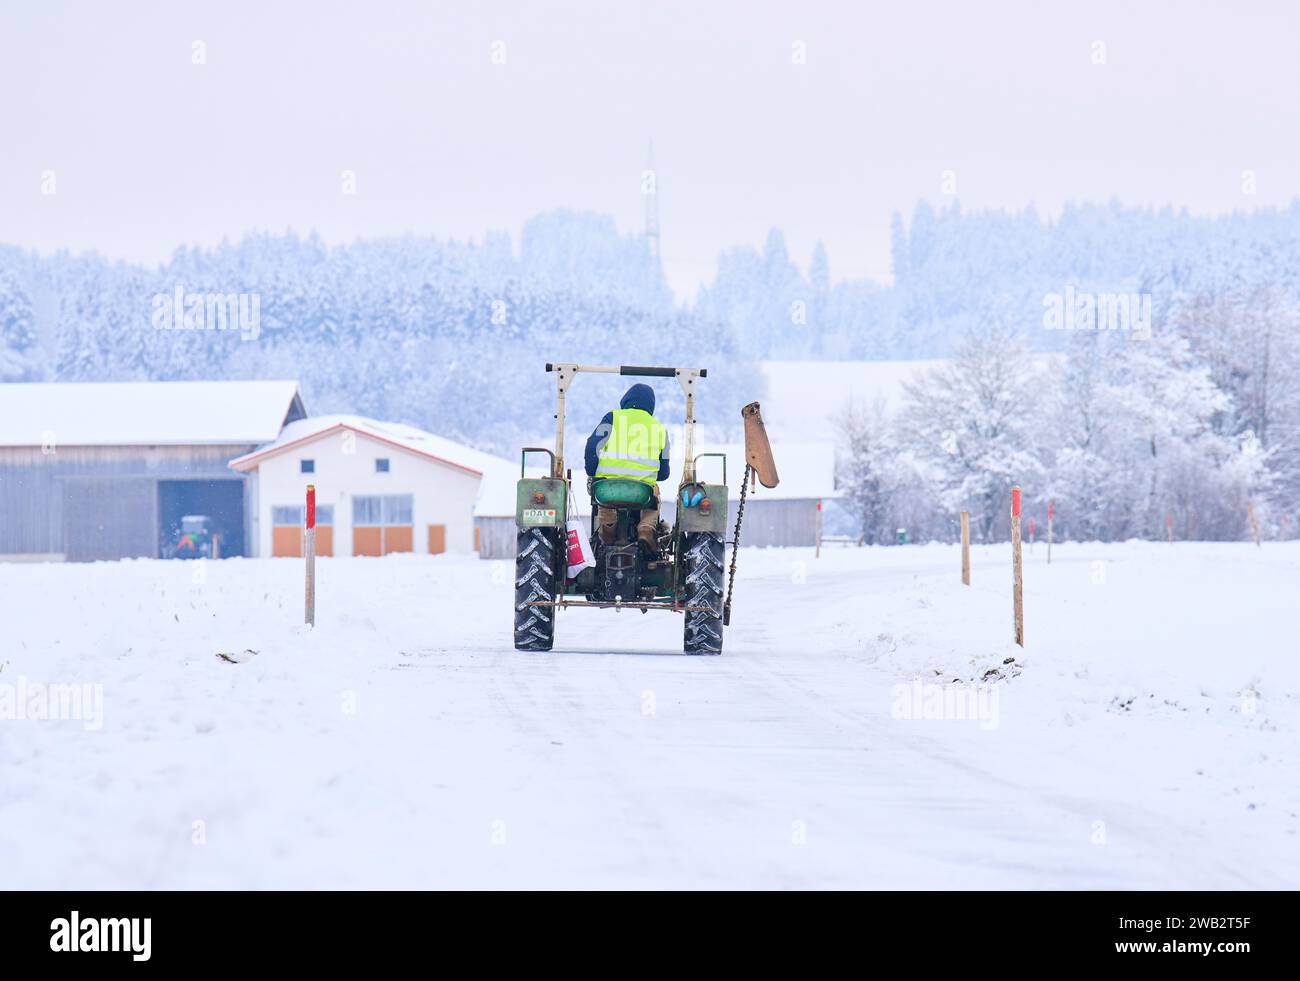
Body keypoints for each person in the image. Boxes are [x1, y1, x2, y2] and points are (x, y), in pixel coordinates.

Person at [584, 383, 670, 553]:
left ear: (625, 400)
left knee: (605, 504)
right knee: (654, 495)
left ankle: (608, 529)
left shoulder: (612, 417)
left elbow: (591, 446)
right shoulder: (660, 429)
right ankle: (645, 529)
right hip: (641, 491)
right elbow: (664, 472)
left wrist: (593, 472)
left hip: (608, 488)